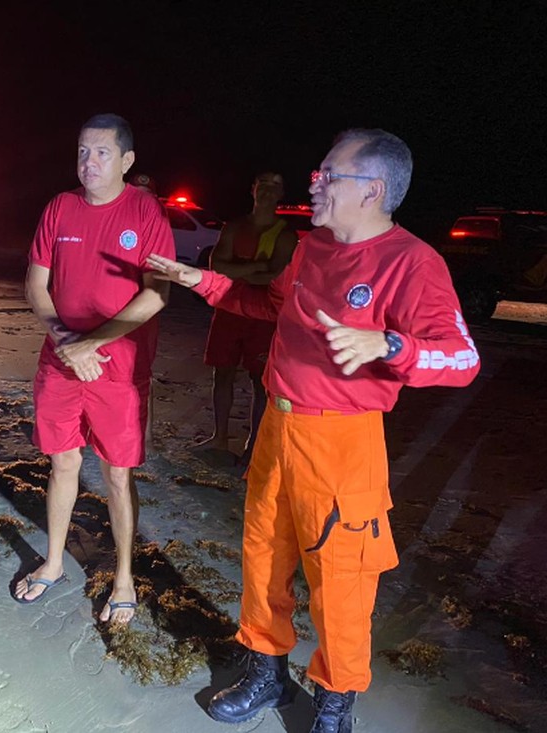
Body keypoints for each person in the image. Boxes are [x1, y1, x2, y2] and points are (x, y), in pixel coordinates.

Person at [148, 129, 480, 731]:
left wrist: (390, 343)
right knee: (262, 558)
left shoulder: (411, 262)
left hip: (344, 443)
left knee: (341, 582)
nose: (315, 183)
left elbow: (462, 359)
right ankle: (266, 670)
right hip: (278, 426)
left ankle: (334, 702)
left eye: (329, 175)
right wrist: (204, 283)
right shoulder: (312, 247)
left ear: (372, 190)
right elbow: (272, 307)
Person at [14, 114, 175, 625]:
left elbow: (156, 293)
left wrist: (93, 343)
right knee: (62, 464)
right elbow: (36, 287)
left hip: (118, 367)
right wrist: (67, 341)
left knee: (116, 471)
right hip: (60, 361)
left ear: (127, 160)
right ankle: (56, 561)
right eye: (83, 151)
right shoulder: (60, 208)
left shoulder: (146, 211)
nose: (89, 162)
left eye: (102, 152)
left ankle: (124, 577)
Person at [196, 172, 297, 466]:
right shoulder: (235, 226)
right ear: (252, 189)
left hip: (264, 315)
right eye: (262, 183)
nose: (267, 190)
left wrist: (238, 268)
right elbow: (217, 265)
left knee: (260, 380)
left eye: (275, 185)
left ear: (281, 194)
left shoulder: (285, 234)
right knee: (222, 372)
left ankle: (254, 445)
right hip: (228, 310)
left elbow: (274, 275)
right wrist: (257, 268)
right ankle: (220, 437)